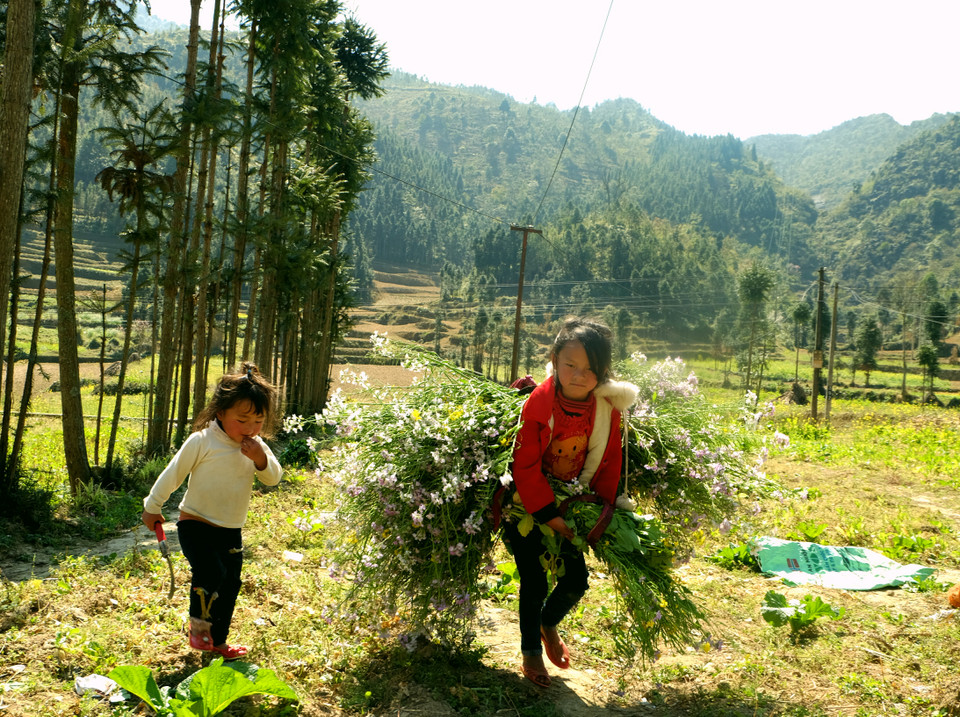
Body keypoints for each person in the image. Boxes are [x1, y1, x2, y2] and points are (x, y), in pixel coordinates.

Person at [505, 318, 638, 687]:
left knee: (576, 582)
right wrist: (546, 514)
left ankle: (548, 623)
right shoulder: (538, 404)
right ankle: (531, 651)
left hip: (573, 503)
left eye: (591, 369)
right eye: (570, 366)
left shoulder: (607, 412)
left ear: (604, 372)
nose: (579, 375)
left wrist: (599, 512)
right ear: (554, 360)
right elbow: (525, 464)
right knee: (533, 580)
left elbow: (609, 464)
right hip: (527, 505)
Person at [141, 362, 282, 660]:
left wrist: (260, 459)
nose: (251, 429)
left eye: (258, 421)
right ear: (220, 412)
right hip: (196, 523)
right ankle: (199, 631)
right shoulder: (203, 441)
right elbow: (172, 474)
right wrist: (152, 508)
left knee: (230, 583)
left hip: (231, 529)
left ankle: (218, 641)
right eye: (242, 420)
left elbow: (273, 478)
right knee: (211, 572)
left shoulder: (256, 446)